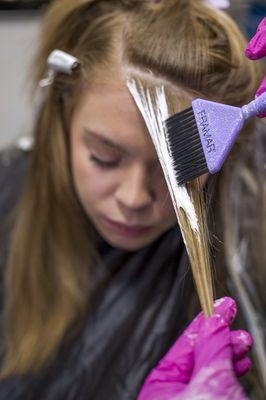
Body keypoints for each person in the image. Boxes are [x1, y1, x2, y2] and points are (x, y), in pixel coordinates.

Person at [0, 1, 264, 399]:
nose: (134, 198)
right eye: (104, 158)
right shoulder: (8, 197)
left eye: (174, 170)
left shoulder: (246, 253)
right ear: (61, 122)